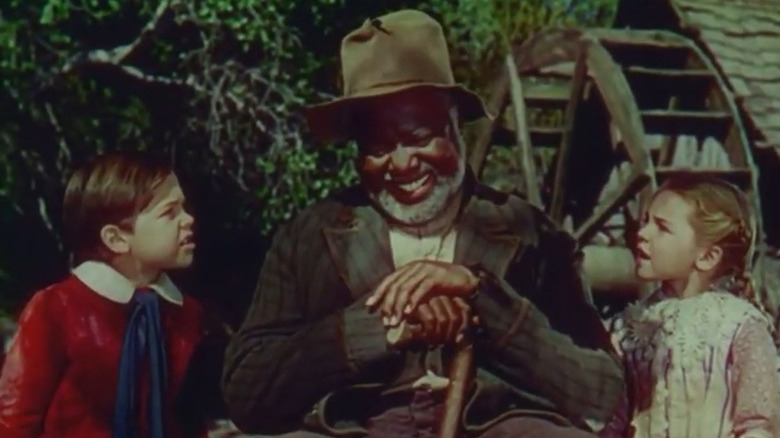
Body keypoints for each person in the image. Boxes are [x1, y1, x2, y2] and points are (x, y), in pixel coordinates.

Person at [222, 9, 625, 438]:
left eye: (418, 137)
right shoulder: (310, 236)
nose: (401, 164)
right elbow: (246, 393)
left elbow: (601, 393)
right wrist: (381, 329)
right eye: (378, 147)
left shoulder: (532, 235)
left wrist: (481, 297)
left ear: (456, 127)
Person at [0, 152, 208, 438]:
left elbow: (189, 418)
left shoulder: (186, 313)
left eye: (183, 208)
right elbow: (16, 416)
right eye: (169, 212)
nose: (188, 219)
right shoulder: (57, 309)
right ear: (116, 238)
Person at [603, 175, 780, 438]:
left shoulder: (738, 326)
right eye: (645, 221)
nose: (641, 234)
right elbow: (613, 419)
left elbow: (759, 421)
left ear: (707, 256)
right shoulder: (629, 327)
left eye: (662, 227)